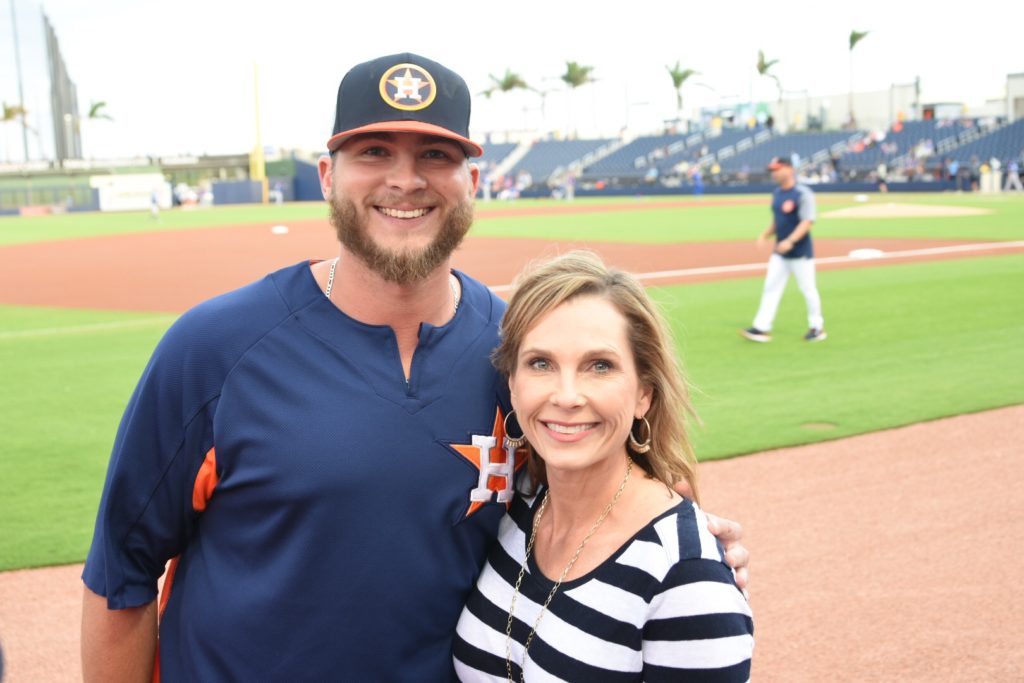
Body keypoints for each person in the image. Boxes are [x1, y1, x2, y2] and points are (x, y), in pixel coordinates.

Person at [80, 53, 749, 682]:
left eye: (436, 155)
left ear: (472, 183)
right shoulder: (214, 347)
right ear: (326, 176)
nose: (405, 179)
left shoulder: (520, 353)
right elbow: (122, 573)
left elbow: (593, 490)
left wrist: (682, 552)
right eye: (374, 152)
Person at [454, 251, 753, 680]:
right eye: (541, 364)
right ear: (513, 386)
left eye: (600, 366)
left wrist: (697, 567)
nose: (568, 396)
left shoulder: (686, 574)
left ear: (643, 395)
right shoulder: (517, 505)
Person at [741, 156, 826, 342]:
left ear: (789, 169)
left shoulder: (802, 194)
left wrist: (790, 240)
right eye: (772, 170)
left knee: (808, 289)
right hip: (779, 253)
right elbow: (777, 221)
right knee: (770, 287)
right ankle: (761, 327)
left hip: (800, 252)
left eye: (777, 169)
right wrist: (765, 235)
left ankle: (817, 327)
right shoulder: (777, 193)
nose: (774, 173)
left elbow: (807, 221)